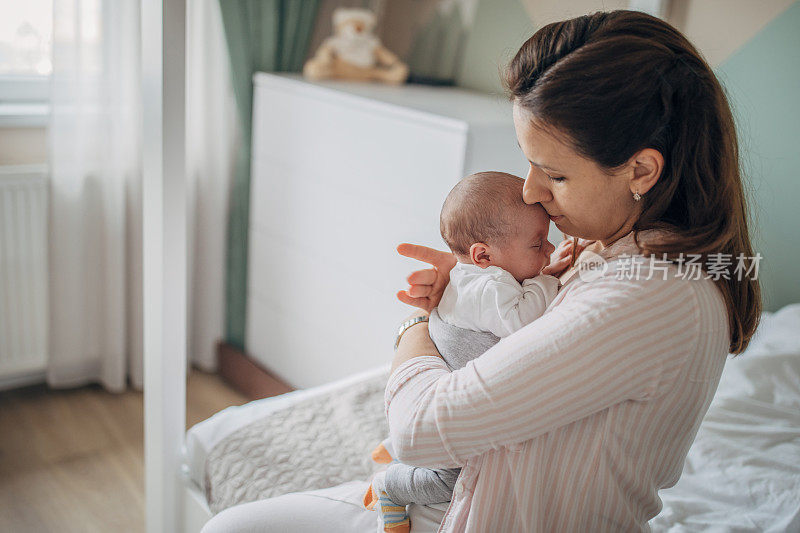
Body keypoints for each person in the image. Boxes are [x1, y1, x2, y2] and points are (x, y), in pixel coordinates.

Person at [201, 9, 761, 532]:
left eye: (555, 175)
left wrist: (418, 328)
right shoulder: (619, 250)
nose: (530, 191)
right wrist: (476, 284)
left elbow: (419, 431)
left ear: (640, 170)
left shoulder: (648, 296)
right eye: (529, 163)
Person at [362, 172, 560, 533]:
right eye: (538, 244)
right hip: (445, 407)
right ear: (483, 255)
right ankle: (391, 485)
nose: (549, 251)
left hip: (451, 370)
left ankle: (390, 447)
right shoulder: (491, 285)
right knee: (451, 481)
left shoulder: (471, 277)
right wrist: (550, 280)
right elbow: (523, 320)